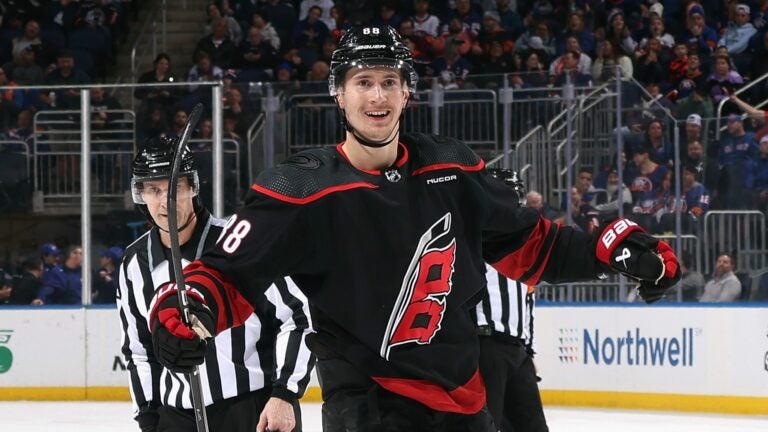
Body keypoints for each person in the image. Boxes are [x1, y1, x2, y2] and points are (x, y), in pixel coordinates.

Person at [148, 25, 680, 431]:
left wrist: (610, 250)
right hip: (366, 398)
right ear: (339, 93)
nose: (377, 97)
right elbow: (227, 275)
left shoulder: (453, 167)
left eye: (389, 82)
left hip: (462, 396)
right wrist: (188, 307)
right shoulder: (298, 189)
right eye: (363, 83)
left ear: (407, 92)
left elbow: (535, 248)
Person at [117, 137, 314, 432]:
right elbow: (139, 350)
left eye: (175, 188)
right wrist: (148, 417)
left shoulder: (239, 241)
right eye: (153, 190)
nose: (165, 201)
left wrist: (284, 394)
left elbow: (298, 317)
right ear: (140, 195)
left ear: (193, 187)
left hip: (255, 409)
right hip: (177, 417)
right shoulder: (134, 264)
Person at [474, 169, 548, 432]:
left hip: (517, 351)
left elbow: (528, 302)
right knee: (485, 425)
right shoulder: (472, 237)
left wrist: (529, 349)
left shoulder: (527, 244)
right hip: (485, 346)